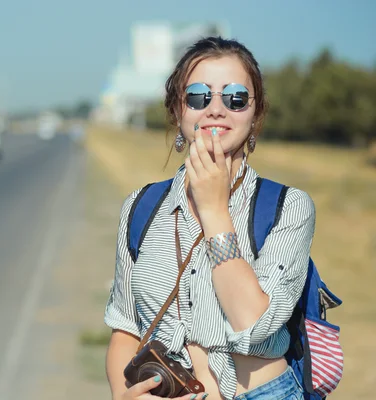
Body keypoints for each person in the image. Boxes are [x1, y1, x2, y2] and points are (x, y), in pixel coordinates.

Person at [104, 36, 315, 400]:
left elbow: (252, 322)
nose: (216, 110)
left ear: (256, 113)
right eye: (199, 96)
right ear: (176, 110)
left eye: (235, 98)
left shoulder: (288, 206)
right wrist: (124, 396)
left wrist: (215, 210)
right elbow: (125, 329)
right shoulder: (140, 206)